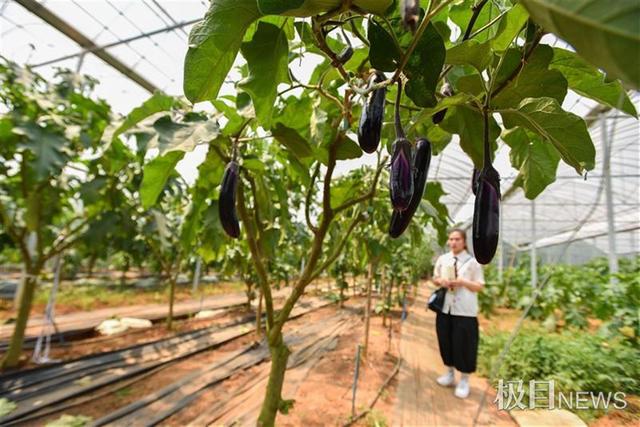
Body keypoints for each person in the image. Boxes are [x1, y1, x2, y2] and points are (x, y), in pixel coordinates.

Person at [431, 228, 485, 399]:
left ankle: (464, 380)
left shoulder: (473, 262)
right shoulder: (443, 259)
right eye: (451, 239)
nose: (453, 242)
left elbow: (479, 286)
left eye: (457, 239)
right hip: (445, 308)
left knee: (465, 344)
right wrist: (442, 282)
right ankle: (449, 373)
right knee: (445, 341)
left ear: (464, 241)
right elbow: (435, 279)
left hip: (465, 311)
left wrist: (463, 282)